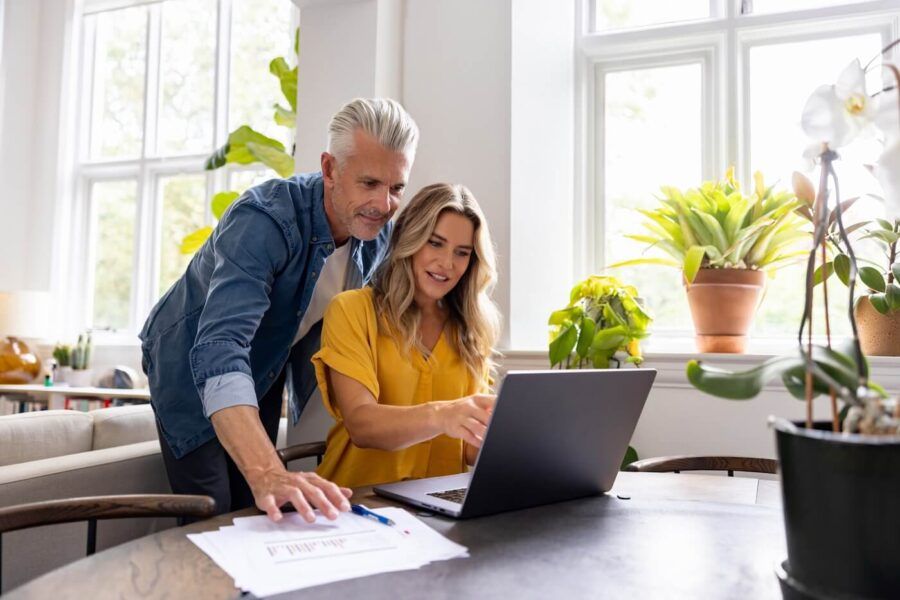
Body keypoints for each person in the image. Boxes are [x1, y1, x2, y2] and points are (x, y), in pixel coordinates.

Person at [139, 98, 419, 522]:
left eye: (396, 187)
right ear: (329, 169)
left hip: (263, 364)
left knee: (255, 512)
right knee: (213, 513)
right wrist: (267, 469)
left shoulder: (378, 235)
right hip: (190, 363)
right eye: (369, 183)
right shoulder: (263, 220)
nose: (384, 205)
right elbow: (220, 346)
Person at [310, 183, 501, 488]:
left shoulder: (472, 329)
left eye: (462, 253)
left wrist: (516, 438)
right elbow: (362, 425)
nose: (447, 264)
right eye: (435, 243)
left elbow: (468, 448)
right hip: (356, 504)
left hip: (434, 510)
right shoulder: (352, 310)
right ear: (410, 240)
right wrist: (443, 415)